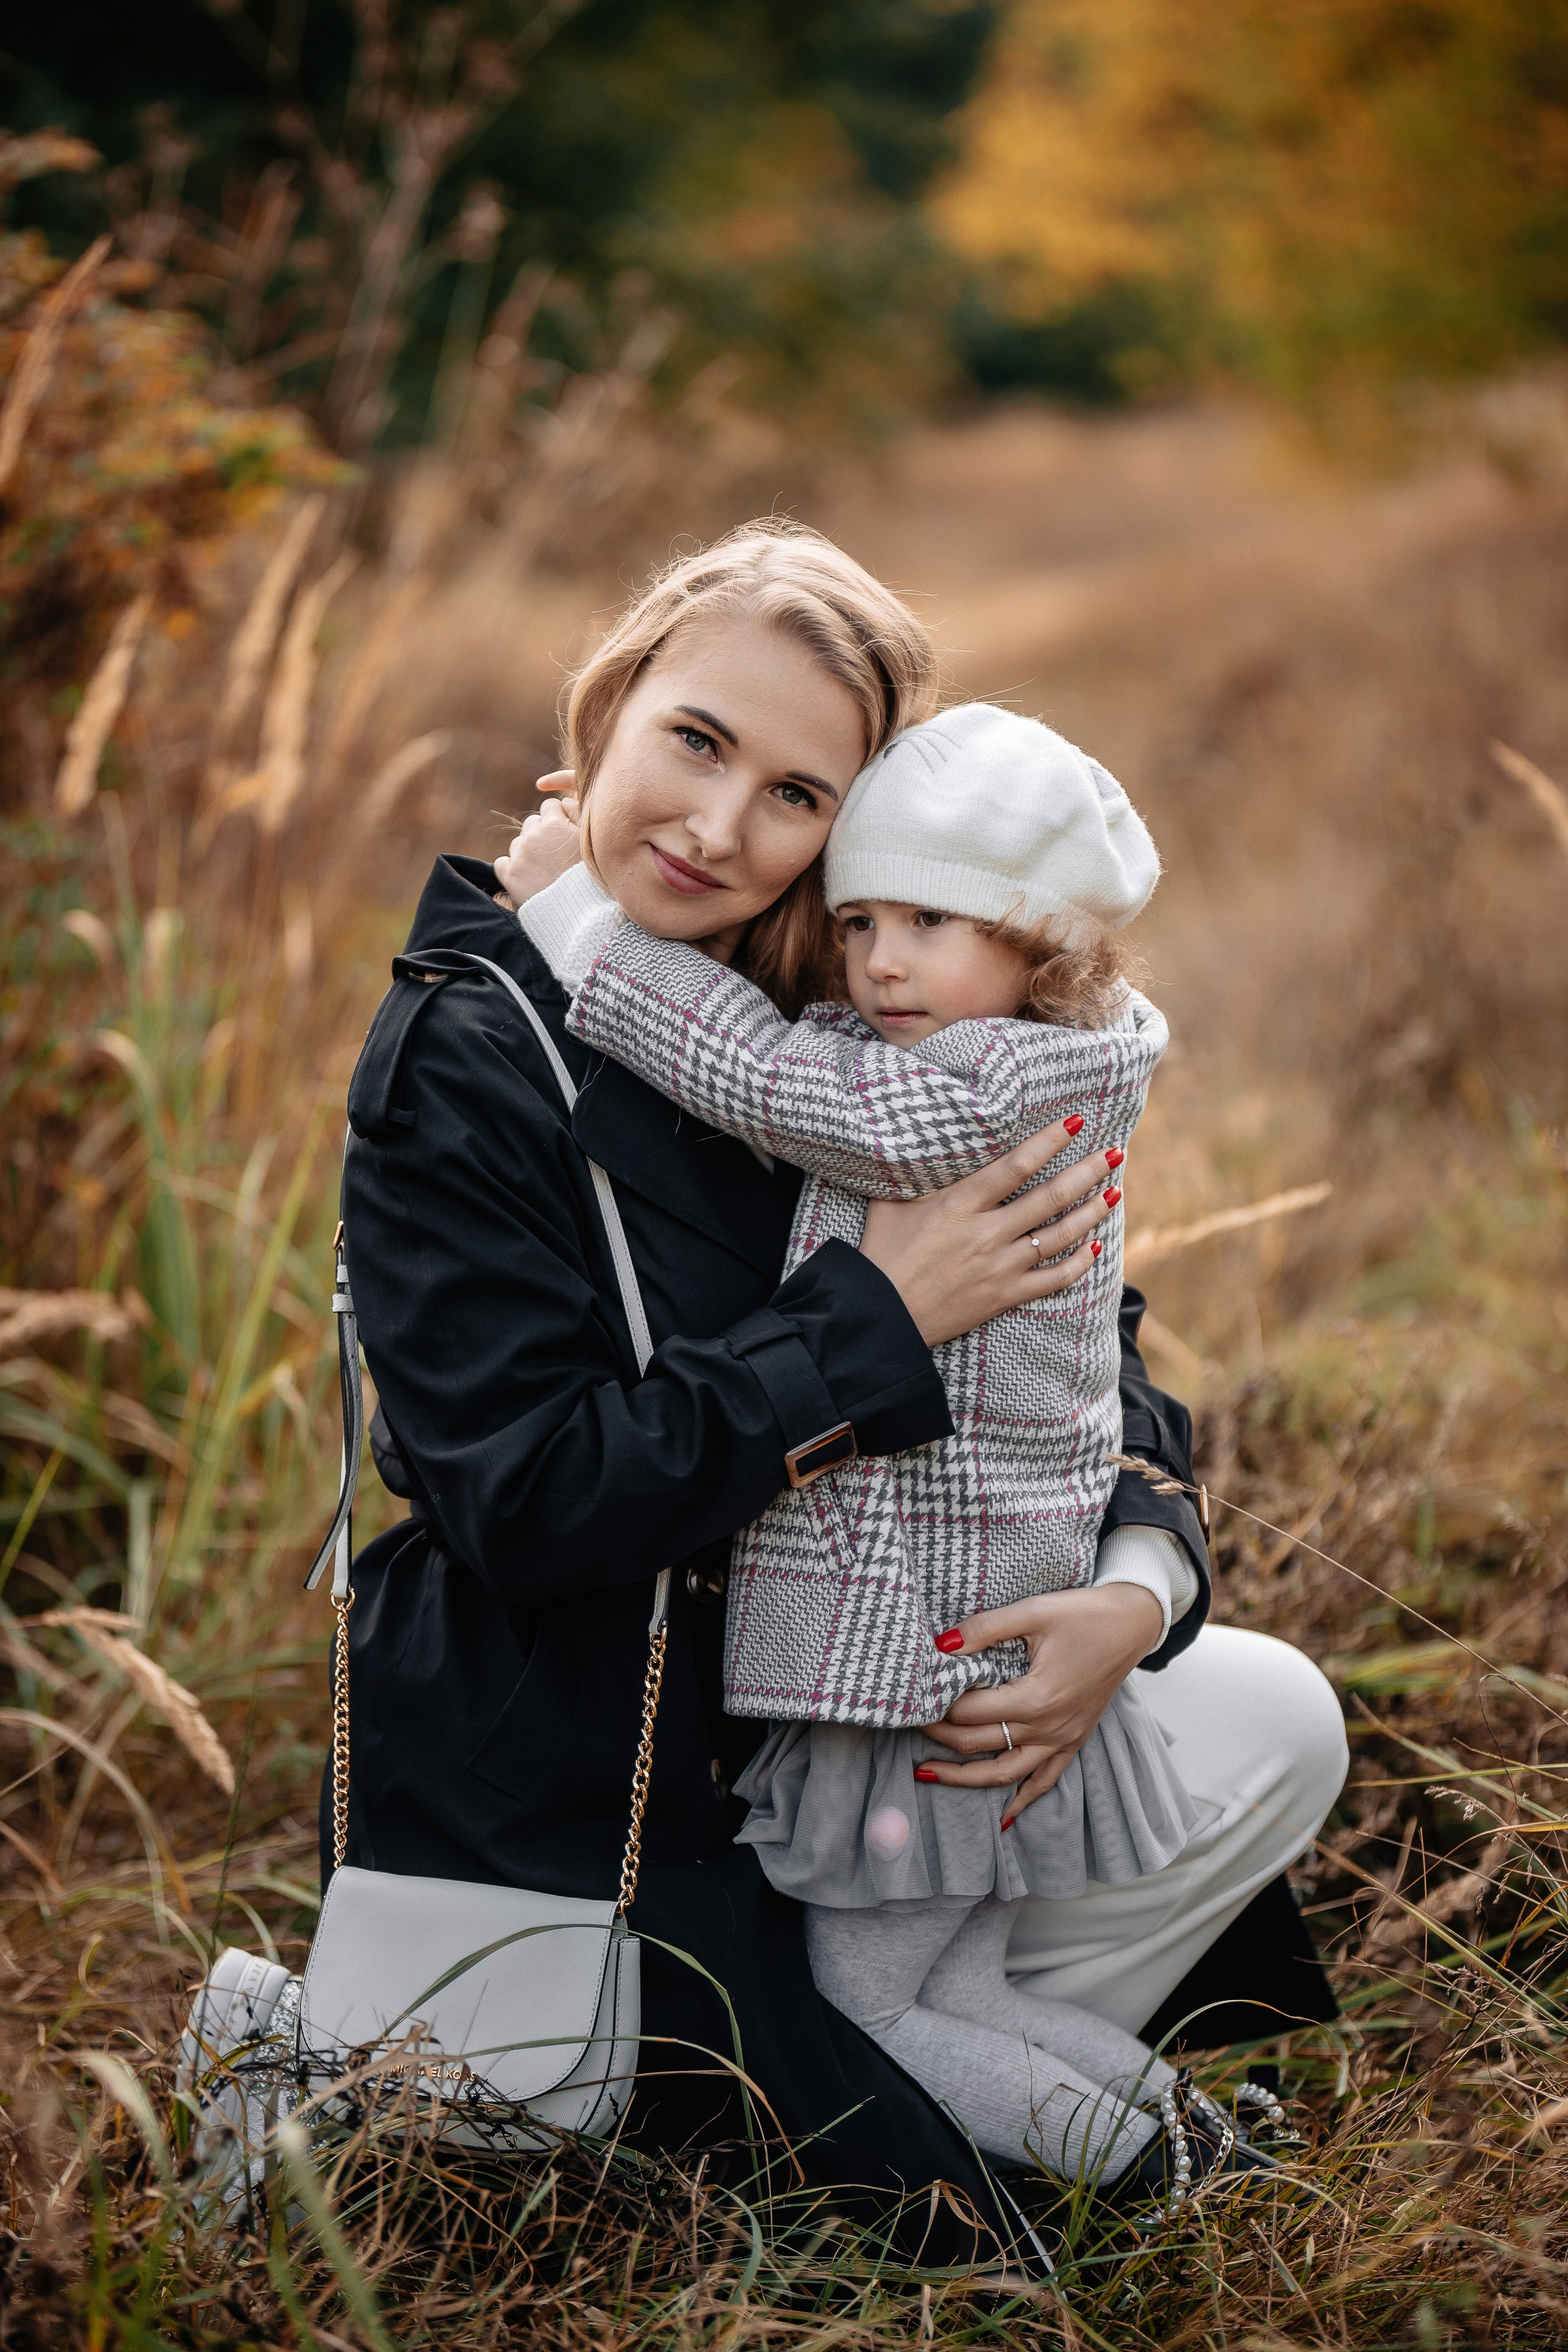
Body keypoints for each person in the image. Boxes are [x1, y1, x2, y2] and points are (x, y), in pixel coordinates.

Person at [337, 522, 1346, 2257]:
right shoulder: (476, 1050)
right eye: (699, 742)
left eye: (799, 797)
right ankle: (956, 2089)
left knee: (1265, 1712)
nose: (721, 830)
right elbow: (529, 1498)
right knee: (918, 2228)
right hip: (626, 1772)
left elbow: (1092, 1343)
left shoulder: (859, 1012)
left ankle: (966, 2046)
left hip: (880, 1697)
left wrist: (1130, 1590)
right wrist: (875, 1316)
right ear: (613, 703)